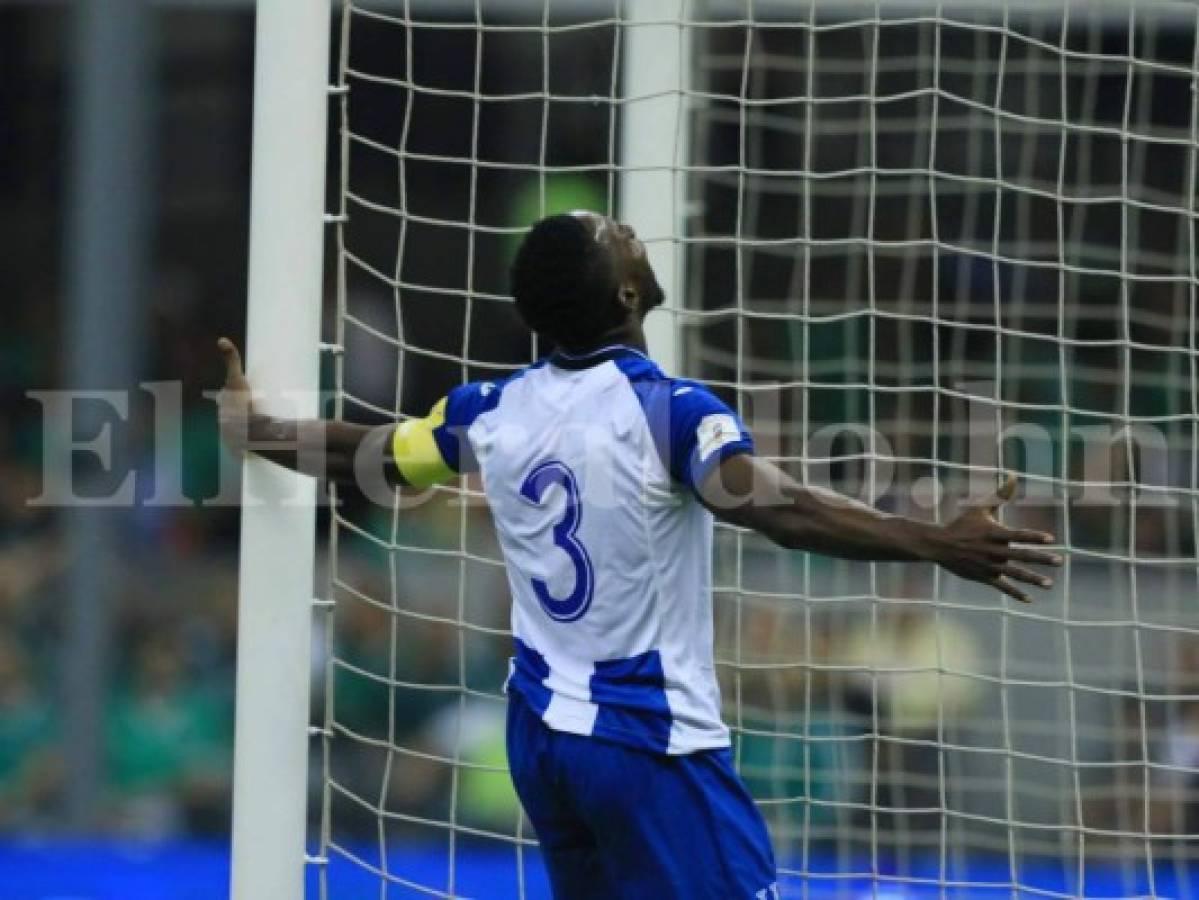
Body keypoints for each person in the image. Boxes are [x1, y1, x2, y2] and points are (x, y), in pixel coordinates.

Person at [216, 211, 1062, 899]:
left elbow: (370, 452)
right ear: (627, 291)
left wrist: (258, 433)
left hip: (542, 739)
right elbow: (784, 511)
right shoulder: (668, 411)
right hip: (649, 740)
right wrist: (936, 543)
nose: (625, 224)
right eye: (613, 231)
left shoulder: (489, 411)